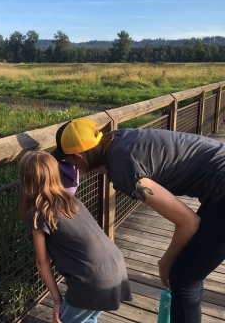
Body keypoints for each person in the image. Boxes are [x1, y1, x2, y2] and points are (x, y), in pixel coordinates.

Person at [52, 117, 225, 322]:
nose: (67, 165)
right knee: (190, 269)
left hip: (221, 192)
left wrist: (166, 262)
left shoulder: (124, 169)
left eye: (67, 160)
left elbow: (188, 222)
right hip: (217, 187)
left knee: (183, 278)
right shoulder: (115, 139)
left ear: (79, 158)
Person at [18, 151, 132, 323]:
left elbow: (42, 263)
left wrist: (57, 300)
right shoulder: (73, 201)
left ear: (27, 181)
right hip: (116, 267)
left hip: (93, 280)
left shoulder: (39, 214)